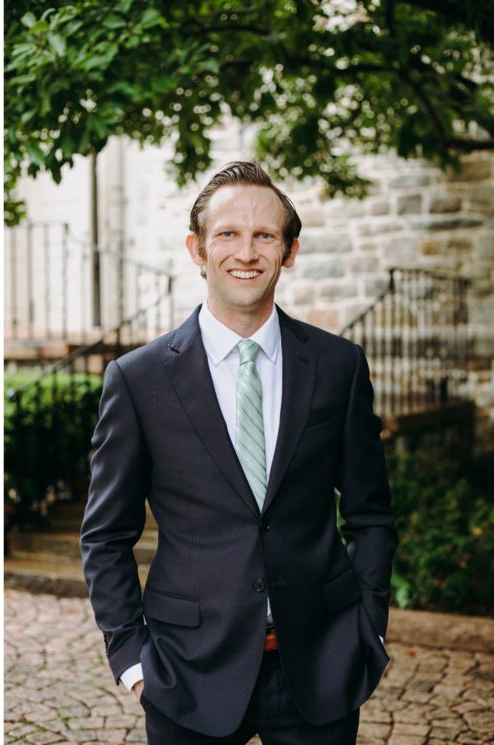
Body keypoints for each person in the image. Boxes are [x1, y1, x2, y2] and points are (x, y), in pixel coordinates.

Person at [81, 162, 397, 744]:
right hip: (186, 673)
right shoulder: (138, 379)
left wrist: (368, 628)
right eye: (227, 234)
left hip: (321, 665)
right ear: (197, 249)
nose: (245, 252)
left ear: (289, 251)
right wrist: (132, 659)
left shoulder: (338, 367)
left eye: (265, 235)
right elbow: (105, 536)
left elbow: (371, 514)